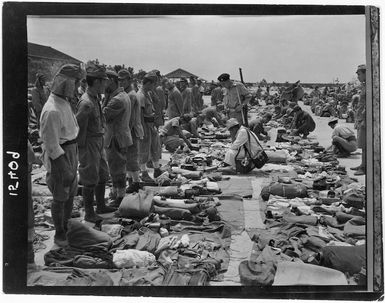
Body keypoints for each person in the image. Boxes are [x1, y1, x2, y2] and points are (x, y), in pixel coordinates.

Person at [39, 64, 82, 246]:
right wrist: (63, 166)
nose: (78, 86)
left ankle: (65, 225)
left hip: (71, 151)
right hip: (61, 156)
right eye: (76, 82)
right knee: (60, 196)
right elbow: (51, 145)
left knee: (70, 193)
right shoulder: (52, 110)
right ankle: (59, 233)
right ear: (66, 83)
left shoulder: (64, 102)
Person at [76, 64, 111, 223]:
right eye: (104, 81)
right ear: (96, 82)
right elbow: (79, 127)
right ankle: (89, 212)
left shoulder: (95, 98)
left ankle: (101, 206)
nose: (106, 84)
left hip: (98, 140)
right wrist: (83, 150)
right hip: (89, 142)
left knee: (102, 173)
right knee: (89, 176)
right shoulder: (86, 103)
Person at [102, 69, 132, 208]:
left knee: (117, 170)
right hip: (119, 137)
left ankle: (120, 197)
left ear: (112, 81)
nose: (103, 84)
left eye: (105, 81)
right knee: (117, 168)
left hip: (115, 138)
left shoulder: (117, 100)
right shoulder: (121, 95)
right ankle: (117, 194)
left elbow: (102, 116)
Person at [118, 69, 144, 193]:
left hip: (131, 130)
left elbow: (130, 118)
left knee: (132, 157)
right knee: (128, 157)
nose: (121, 82)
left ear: (129, 80)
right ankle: (132, 180)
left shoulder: (131, 95)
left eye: (123, 80)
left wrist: (125, 133)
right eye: (119, 80)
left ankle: (136, 182)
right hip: (130, 129)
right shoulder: (128, 93)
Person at [137, 72, 162, 182]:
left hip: (151, 125)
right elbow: (139, 114)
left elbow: (157, 103)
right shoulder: (141, 95)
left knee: (155, 147)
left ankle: (157, 169)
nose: (154, 87)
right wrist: (142, 130)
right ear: (148, 83)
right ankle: (143, 172)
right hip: (145, 125)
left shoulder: (148, 93)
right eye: (153, 84)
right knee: (144, 150)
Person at [351, 64, 366, 176]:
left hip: (364, 119)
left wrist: (364, 119)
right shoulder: (364, 86)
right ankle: (362, 164)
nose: (358, 76)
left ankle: (364, 167)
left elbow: (367, 105)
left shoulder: (369, 87)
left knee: (365, 145)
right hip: (361, 118)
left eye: (359, 74)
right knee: (362, 144)